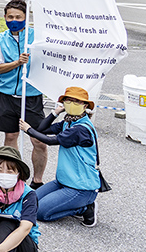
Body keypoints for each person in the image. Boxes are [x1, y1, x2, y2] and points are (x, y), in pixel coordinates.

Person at [20, 87, 99, 227]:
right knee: (29, 201)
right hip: (63, 181)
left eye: (77, 101)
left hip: (80, 188)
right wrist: (55, 112)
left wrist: (28, 130)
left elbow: (50, 141)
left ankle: (85, 208)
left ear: (85, 106)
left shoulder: (81, 129)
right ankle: (73, 204)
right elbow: (42, 129)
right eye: (69, 100)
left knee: (40, 213)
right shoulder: (69, 121)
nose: (72, 104)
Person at [0, 0, 47, 188]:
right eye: (10, 17)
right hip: (7, 96)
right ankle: (10, 177)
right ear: (5, 18)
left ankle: (38, 181)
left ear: (26, 18)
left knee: (38, 140)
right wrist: (17, 63)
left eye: (18, 17)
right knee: (10, 137)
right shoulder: (0, 38)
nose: (14, 20)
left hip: (31, 96)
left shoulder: (36, 37)